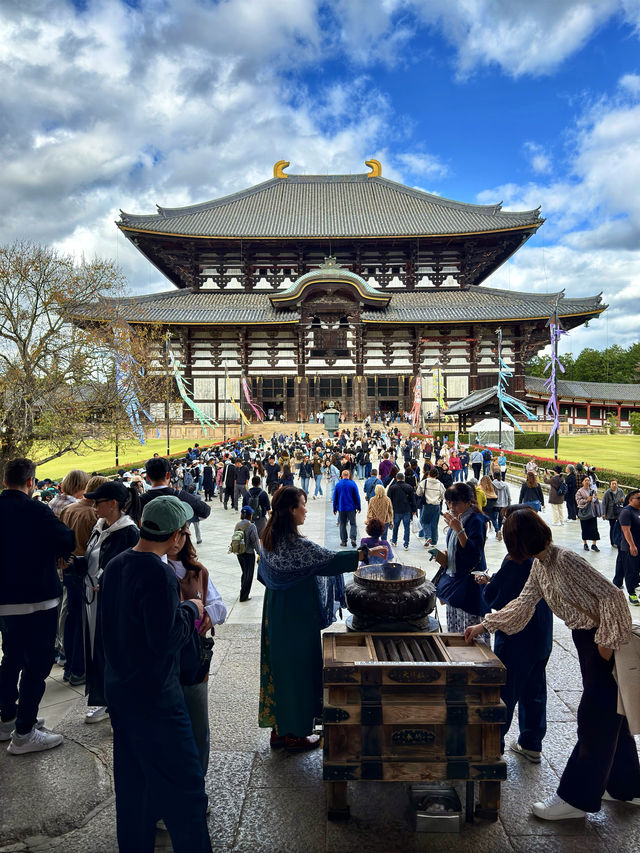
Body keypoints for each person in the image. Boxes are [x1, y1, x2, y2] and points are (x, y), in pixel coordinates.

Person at [465, 509, 638, 821]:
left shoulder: (564, 560)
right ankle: (628, 787)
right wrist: (485, 626)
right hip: (590, 641)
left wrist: (605, 645)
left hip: (605, 642)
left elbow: (613, 596)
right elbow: (524, 603)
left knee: (593, 719)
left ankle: (575, 799)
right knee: (614, 715)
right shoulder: (541, 565)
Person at [101, 496, 212, 853]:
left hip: (120, 691)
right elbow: (166, 640)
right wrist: (190, 610)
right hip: (157, 699)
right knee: (187, 792)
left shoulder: (117, 564)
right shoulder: (159, 573)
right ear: (177, 537)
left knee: (135, 791)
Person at [258, 486, 386, 751]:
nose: (306, 509)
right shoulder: (295, 545)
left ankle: (279, 730)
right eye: (303, 504)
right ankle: (294, 734)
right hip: (296, 616)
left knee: (279, 670)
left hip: (274, 612)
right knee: (298, 672)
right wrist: (364, 554)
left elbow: (263, 575)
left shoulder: (269, 538)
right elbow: (329, 560)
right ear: (291, 510)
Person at [0, 458, 75, 754]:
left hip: (4, 602)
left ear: (6, 480)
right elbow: (66, 538)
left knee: (11, 658)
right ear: (31, 482)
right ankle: (24, 731)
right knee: (38, 664)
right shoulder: (36, 509)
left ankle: (8, 717)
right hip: (38, 599)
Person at [475, 505, 552, 759]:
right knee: (536, 688)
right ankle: (531, 742)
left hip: (517, 633)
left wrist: (489, 583)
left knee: (505, 691)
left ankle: (492, 745)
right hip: (542, 628)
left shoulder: (515, 561)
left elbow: (495, 597)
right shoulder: (544, 559)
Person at [167, 527, 225, 774]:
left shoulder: (198, 570)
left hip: (194, 660)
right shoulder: (156, 569)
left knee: (198, 727)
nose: (176, 541)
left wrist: (209, 613)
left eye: (181, 535)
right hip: (166, 662)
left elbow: (219, 605)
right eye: (172, 534)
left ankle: (196, 783)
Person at [82, 480, 141, 724]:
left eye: (98, 502)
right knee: (97, 649)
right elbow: (93, 559)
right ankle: (104, 698)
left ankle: (111, 700)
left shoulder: (128, 532)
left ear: (114, 504)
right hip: (93, 600)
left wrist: (106, 582)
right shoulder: (100, 527)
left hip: (113, 603)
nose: (94, 506)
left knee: (110, 649)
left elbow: (128, 569)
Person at [431, 482, 488, 639]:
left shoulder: (476, 520)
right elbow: (457, 548)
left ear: (468, 502)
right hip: (455, 583)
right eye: (449, 502)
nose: (451, 506)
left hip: (469, 585)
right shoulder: (457, 518)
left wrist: (459, 529)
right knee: (455, 630)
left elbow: (474, 553)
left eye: (455, 503)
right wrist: (444, 554)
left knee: (469, 631)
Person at [613, 489, 640, 605]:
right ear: (630, 500)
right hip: (629, 547)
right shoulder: (627, 512)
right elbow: (626, 531)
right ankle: (631, 593)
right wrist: (632, 546)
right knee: (630, 571)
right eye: (638, 498)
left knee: (636, 570)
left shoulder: (638, 511)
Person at [233, 507, 260, 602]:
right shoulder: (251, 526)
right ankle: (244, 596)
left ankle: (242, 591)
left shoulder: (237, 525)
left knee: (244, 573)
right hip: (248, 554)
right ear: (250, 515)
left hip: (239, 553)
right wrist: (260, 553)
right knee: (249, 576)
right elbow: (255, 542)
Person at [387, 472, 416, 552]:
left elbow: (389, 500)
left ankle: (394, 540)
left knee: (395, 526)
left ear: (396, 478)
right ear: (404, 478)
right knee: (407, 527)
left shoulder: (392, 487)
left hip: (396, 510)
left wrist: (389, 510)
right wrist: (414, 510)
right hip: (407, 510)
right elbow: (413, 500)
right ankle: (406, 543)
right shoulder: (409, 487)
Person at [416, 468, 445, 546]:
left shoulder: (424, 482)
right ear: (437, 475)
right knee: (434, 523)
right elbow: (443, 496)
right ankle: (434, 541)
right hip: (436, 505)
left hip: (427, 505)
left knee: (424, 521)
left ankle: (428, 536)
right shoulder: (440, 484)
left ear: (429, 474)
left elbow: (418, 493)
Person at [333, 469, 361, 547]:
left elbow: (335, 497)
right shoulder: (352, 484)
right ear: (348, 475)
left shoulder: (338, 484)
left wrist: (334, 508)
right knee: (353, 524)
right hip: (351, 508)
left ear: (342, 475)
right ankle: (353, 538)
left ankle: (344, 541)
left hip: (341, 508)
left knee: (342, 524)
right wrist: (358, 507)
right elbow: (357, 496)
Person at [576, 475, 601, 552]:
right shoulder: (579, 491)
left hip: (592, 512)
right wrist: (587, 500)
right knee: (585, 528)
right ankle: (585, 543)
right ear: (582, 482)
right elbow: (578, 502)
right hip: (584, 512)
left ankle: (594, 544)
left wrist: (595, 499)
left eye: (588, 480)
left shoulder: (593, 490)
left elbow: (596, 501)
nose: (587, 482)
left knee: (594, 528)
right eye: (585, 480)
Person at [602, 479, 625, 547]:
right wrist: (604, 513)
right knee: (612, 527)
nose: (614, 485)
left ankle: (618, 541)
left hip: (619, 512)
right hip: (610, 512)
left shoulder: (620, 491)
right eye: (613, 484)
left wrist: (623, 500)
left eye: (615, 484)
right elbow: (604, 503)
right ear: (610, 485)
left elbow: (624, 498)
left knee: (619, 527)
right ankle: (612, 542)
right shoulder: (607, 492)